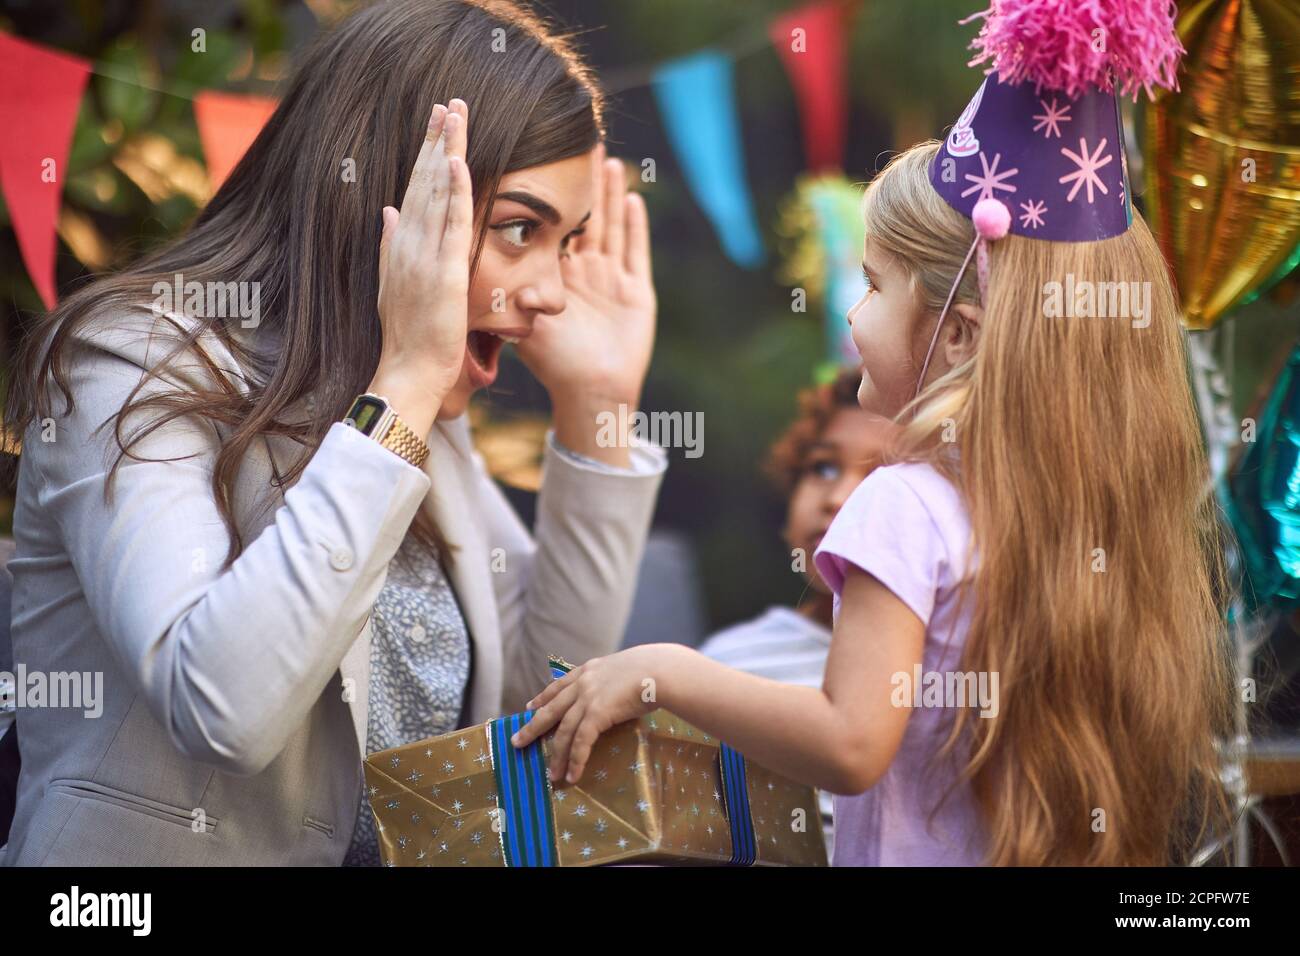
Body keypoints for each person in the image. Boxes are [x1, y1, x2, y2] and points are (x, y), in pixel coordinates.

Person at [512, 3, 1237, 866]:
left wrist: (661, 670)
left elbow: (850, 742)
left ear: (958, 334)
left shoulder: (904, 503)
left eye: (872, 285)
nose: (852, 314)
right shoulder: (1086, 521)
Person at [1, 0, 663, 866]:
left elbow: (539, 706)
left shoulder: (420, 406)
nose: (550, 292)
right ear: (389, 199)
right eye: (517, 230)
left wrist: (598, 406)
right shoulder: (128, 358)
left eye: (565, 244)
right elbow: (221, 708)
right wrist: (405, 389)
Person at [695, 369, 895, 857]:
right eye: (823, 468)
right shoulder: (728, 662)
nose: (836, 499)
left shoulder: (967, 669)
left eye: (883, 476)